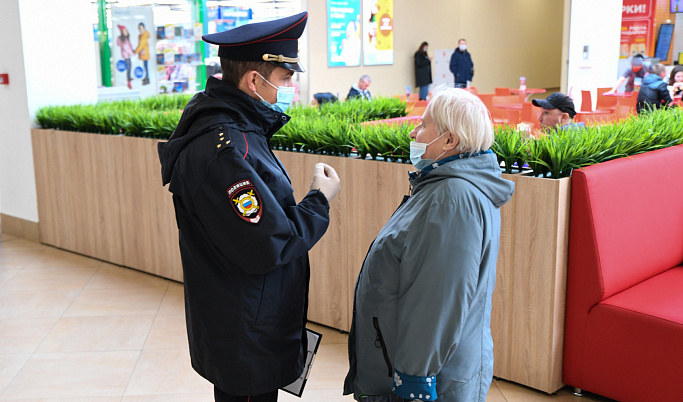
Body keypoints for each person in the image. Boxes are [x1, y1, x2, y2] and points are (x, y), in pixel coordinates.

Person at [157, 12, 341, 402]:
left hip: (244, 317)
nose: (290, 87)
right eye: (285, 78)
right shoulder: (227, 149)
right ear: (254, 80)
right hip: (246, 327)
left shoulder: (235, 128)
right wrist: (319, 200)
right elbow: (269, 242)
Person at [344, 86, 515, 402]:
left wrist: (413, 380)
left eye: (423, 124)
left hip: (428, 378)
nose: (413, 131)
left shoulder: (452, 200)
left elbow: (436, 303)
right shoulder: (442, 189)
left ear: (449, 140)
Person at [116, 25, 135, 89]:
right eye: (124, 31)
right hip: (126, 56)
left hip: (126, 56)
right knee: (129, 68)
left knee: (129, 68)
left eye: (126, 31)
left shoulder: (124, 39)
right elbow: (126, 48)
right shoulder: (123, 40)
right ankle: (129, 81)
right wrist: (131, 53)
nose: (126, 32)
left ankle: (129, 79)